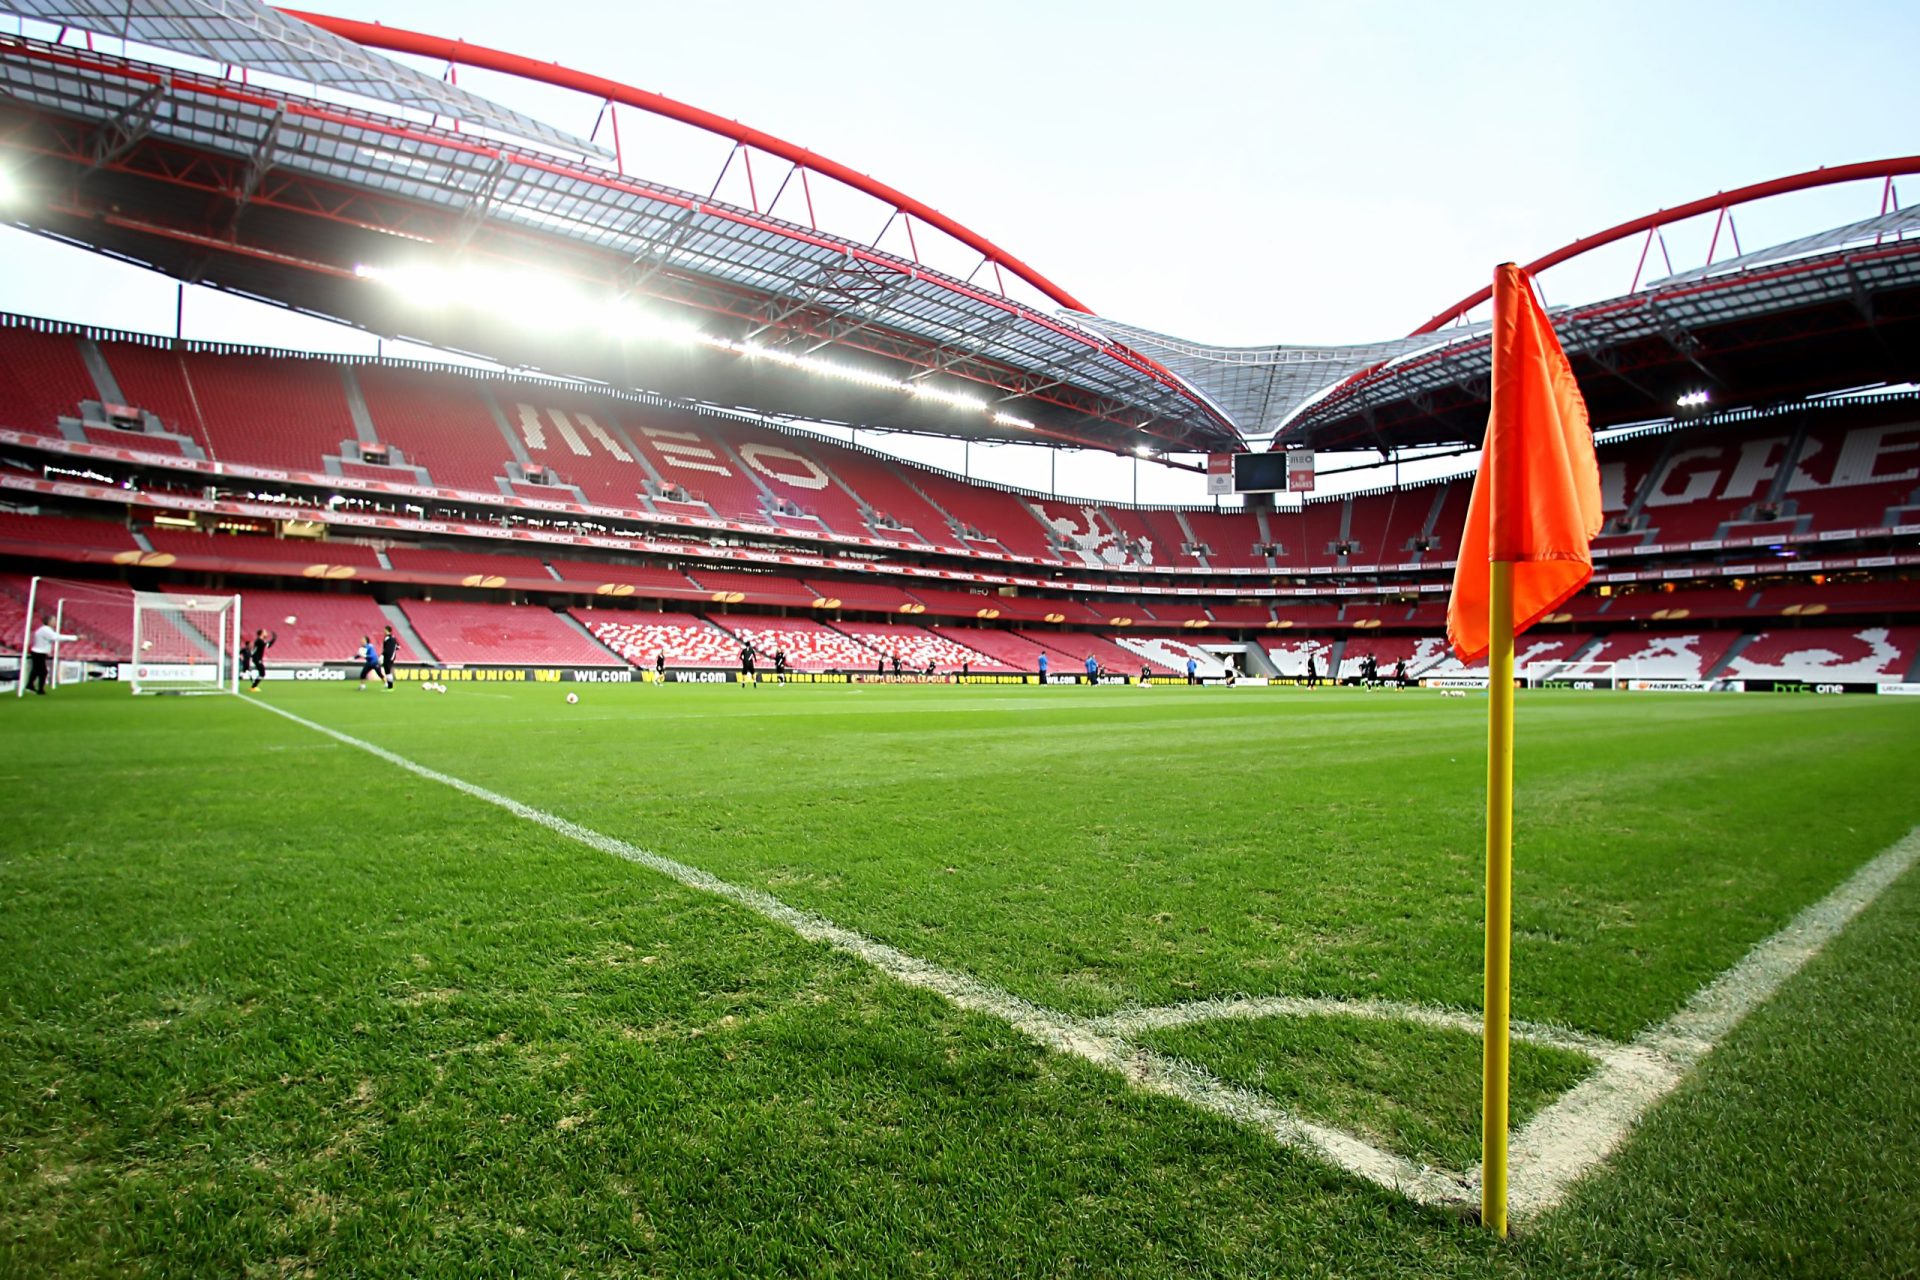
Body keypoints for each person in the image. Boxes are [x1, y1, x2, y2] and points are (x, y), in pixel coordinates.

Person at [26, 617, 76, 695]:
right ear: (49, 621)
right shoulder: (45, 630)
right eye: (54, 620)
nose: (55, 622)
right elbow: (56, 637)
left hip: (39, 652)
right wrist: (75, 637)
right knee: (43, 672)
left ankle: (30, 685)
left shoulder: (45, 629)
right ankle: (40, 689)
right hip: (38, 653)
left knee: (36, 670)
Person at [243, 627, 277, 691]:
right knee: (262, 673)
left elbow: (267, 645)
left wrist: (273, 639)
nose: (266, 633)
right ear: (261, 634)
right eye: (265, 632)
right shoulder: (259, 640)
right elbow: (268, 645)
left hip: (257, 658)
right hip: (257, 658)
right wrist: (274, 639)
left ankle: (254, 686)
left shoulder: (259, 640)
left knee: (262, 673)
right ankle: (253, 687)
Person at [380, 625, 398, 690]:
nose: (383, 631)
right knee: (387, 670)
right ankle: (388, 684)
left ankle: (390, 686)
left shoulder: (388, 638)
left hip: (388, 656)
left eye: (384, 630)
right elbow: (398, 647)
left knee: (387, 671)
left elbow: (387, 648)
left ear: (387, 630)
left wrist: (382, 654)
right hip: (391, 656)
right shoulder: (393, 638)